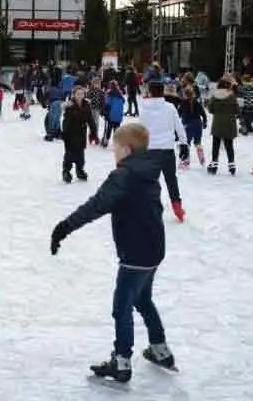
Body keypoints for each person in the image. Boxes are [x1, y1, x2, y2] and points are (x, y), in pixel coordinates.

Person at [50, 124, 175, 384]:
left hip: (136, 252)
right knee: (142, 299)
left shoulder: (124, 175)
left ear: (127, 149)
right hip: (154, 248)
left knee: (122, 306)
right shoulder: (147, 171)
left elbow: (96, 206)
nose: (113, 153)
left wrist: (63, 228)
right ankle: (160, 349)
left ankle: (121, 361)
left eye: (115, 148)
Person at [139, 81, 188, 222]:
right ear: (163, 92)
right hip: (167, 150)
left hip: (150, 151)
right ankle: (178, 209)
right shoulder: (170, 108)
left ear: (150, 92)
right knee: (171, 180)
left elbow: (140, 131)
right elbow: (179, 126)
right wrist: (184, 144)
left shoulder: (144, 109)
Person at [61, 85, 97, 183]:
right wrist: (64, 133)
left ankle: (80, 170)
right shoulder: (70, 105)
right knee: (69, 154)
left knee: (80, 154)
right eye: (78, 94)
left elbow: (90, 119)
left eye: (82, 94)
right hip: (71, 133)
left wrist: (93, 131)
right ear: (74, 95)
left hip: (81, 132)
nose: (80, 96)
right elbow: (66, 121)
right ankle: (66, 172)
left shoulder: (86, 105)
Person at [206, 78, 239, 176]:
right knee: (229, 146)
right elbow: (236, 109)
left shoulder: (214, 96)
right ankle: (232, 165)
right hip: (230, 124)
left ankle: (214, 165)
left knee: (215, 146)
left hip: (218, 124)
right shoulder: (232, 96)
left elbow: (211, 109)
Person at [178, 85, 206, 167]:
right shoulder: (197, 102)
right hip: (198, 124)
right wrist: (205, 122)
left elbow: (178, 114)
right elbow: (203, 114)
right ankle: (202, 159)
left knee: (187, 143)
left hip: (187, 125)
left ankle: (186, 161)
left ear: (184, 94)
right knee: (198, 142)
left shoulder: (183, 103)